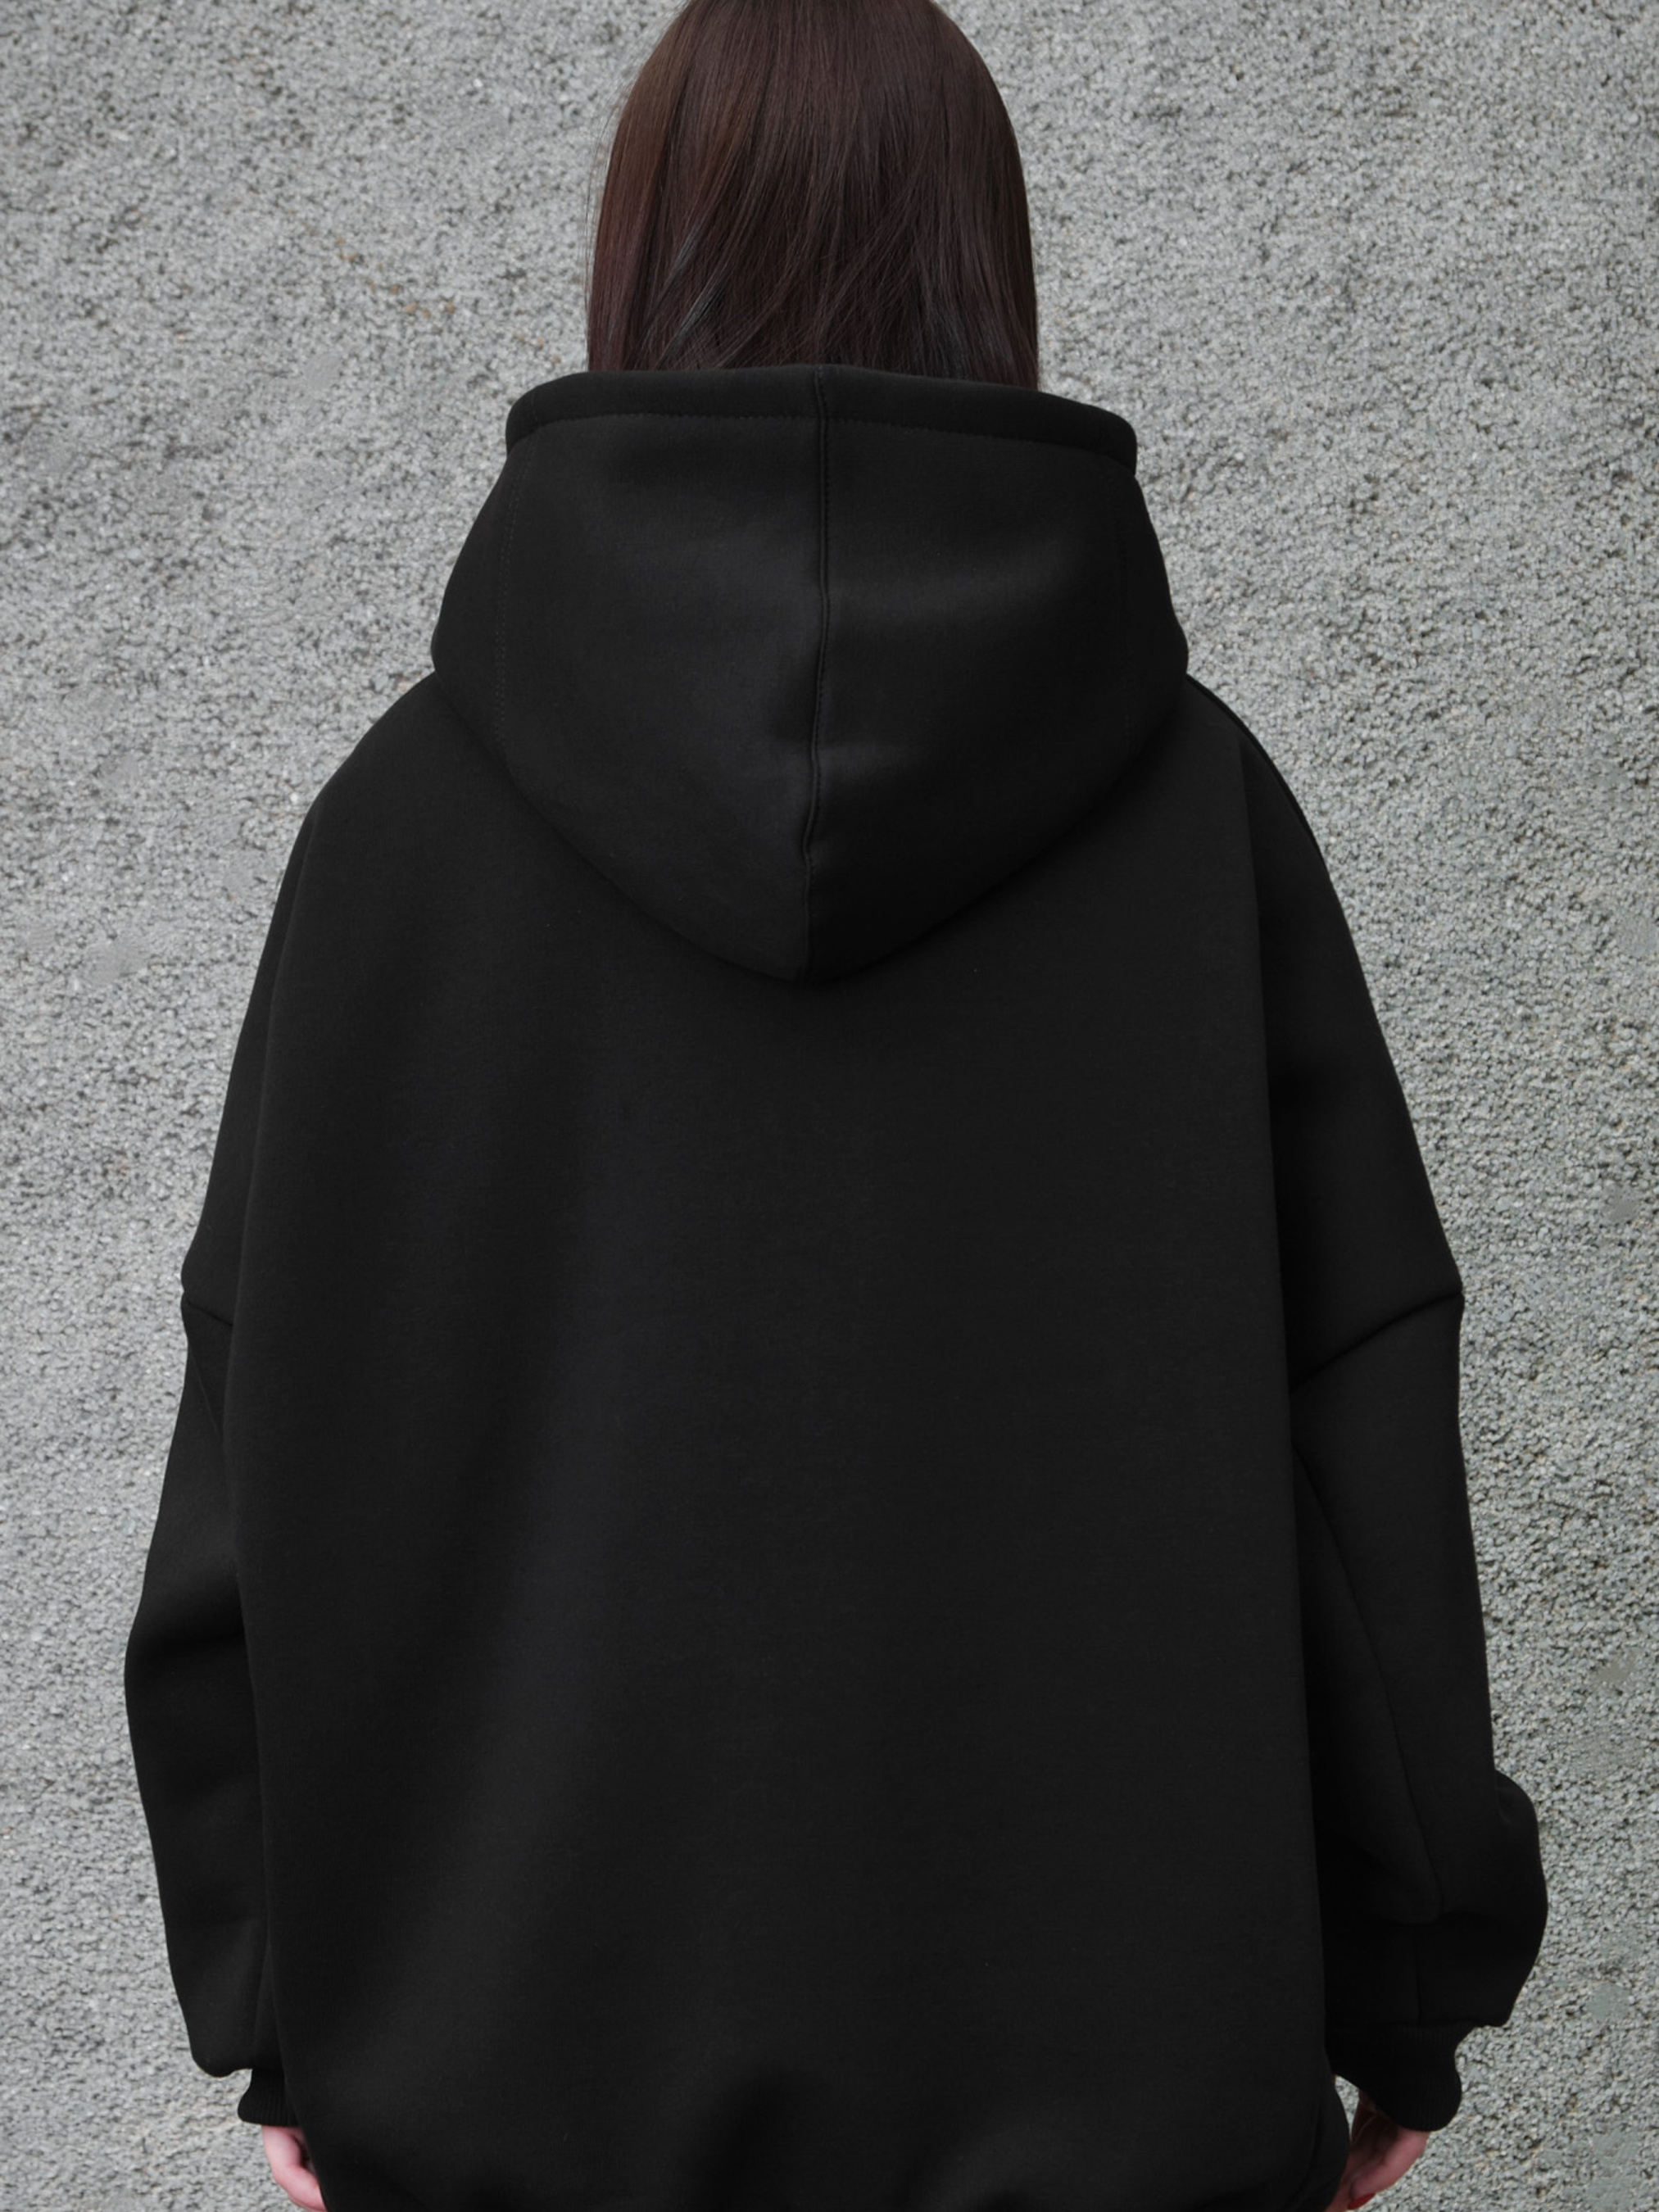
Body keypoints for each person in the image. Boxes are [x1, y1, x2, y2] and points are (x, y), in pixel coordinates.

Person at [123, 2, 1548, 2209]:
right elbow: (1360, 1458)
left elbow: (255, 1466)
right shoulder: (1197, 821)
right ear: (988, 269)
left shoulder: (395, 833)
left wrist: (277, 2003)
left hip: (508, 2124)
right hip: (1122, 2122)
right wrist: (1408, 1983)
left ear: (637, 262)